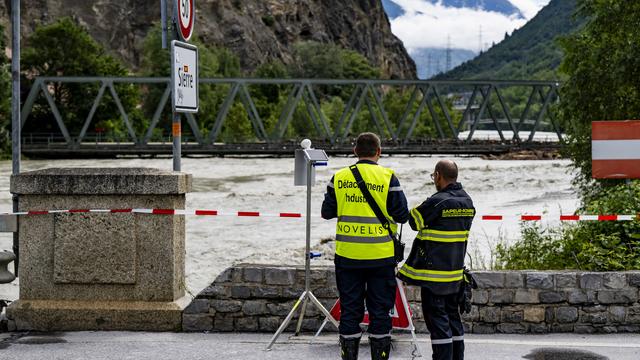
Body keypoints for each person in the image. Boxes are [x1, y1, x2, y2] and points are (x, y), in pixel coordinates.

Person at [321, 132, 409, 360]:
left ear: (355, 151)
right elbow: (401, 215)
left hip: (348, 256)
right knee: (380, 312)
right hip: (381, 257)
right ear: (378, 152)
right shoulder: (389, 177)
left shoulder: (339, 178)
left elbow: (326, 212)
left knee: (350, 311)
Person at [397, 160, 475, 360]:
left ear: (438, 175)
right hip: (455, 276)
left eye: (434, 176)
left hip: (434, 278)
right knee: (453, 321)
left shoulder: (438, 201)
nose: (434, 180)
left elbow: (413, 221)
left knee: (438, 324)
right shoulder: (467, 201)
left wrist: (421, 204)